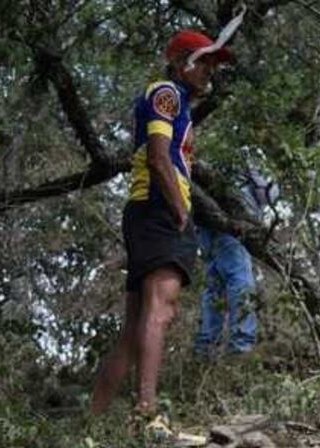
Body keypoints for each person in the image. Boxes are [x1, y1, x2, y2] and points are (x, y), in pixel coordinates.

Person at [91, 30, 230, 423]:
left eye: (212, 64)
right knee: (160, 310)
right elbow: (157, 157)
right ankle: (148, 416)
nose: (208, 72)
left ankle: (93, 424)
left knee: (134, 330)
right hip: (158, 209)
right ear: (178, 61)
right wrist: (180, 212)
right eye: (201, 61)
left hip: (146, 211)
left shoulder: (177, 100)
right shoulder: (166, 93)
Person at [194, 166, 278, 356]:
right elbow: (268, 196)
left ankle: (205, 349)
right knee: (240, 282)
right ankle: (241, 346)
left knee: (213, 289)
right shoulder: (249, 160)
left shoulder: (208, 158)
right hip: (232, 224)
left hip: (206, 226)